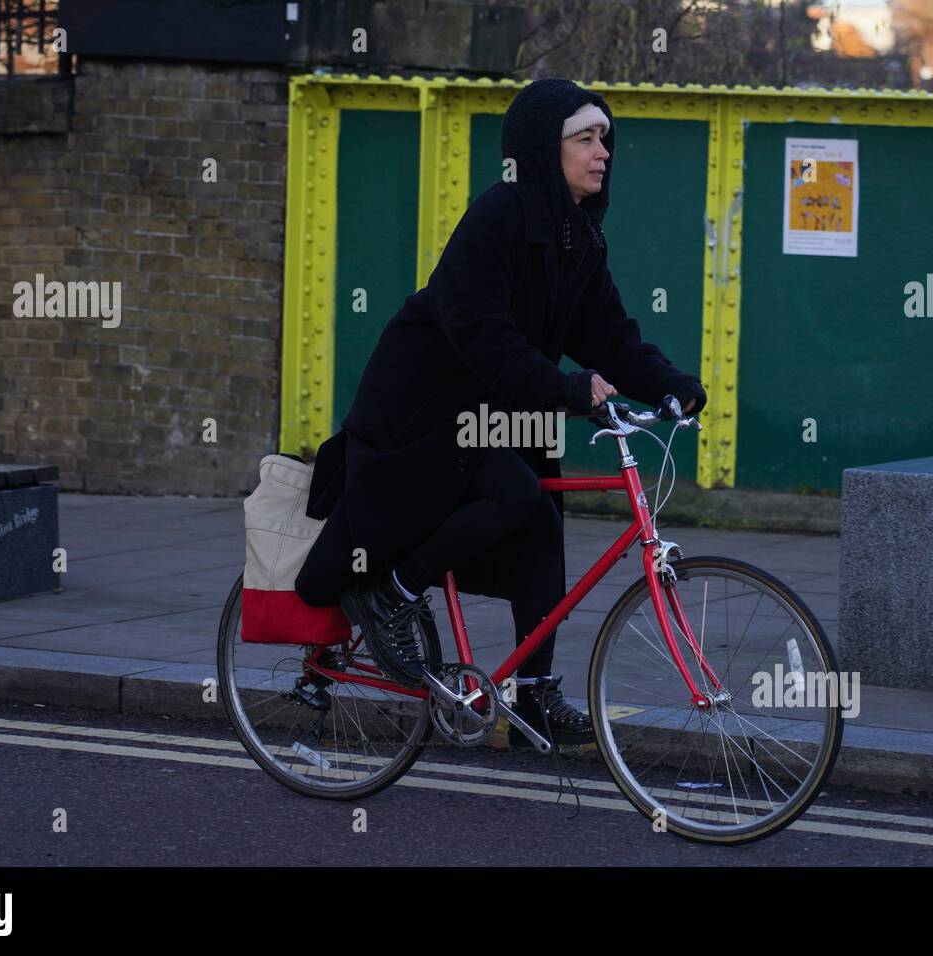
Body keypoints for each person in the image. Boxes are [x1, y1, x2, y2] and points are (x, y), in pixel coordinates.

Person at [295, 78, 706, 747]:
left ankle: (536, 691)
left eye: (606, 138)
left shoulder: (579, 241)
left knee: (541, 524)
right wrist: (566, 389)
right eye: (585, 137)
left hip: (500, 409)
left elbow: (610, 336)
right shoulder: (499, 217)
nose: (602, 151)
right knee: (517, 496)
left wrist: (671, 385)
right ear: (545, 149)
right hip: (425, 408)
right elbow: (480, 330)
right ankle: (391, 594)